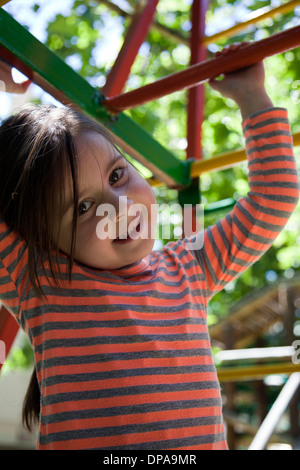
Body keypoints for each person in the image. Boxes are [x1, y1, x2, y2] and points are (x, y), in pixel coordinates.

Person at [0, 44, 299, 450]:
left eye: (118, 174)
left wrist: (251, 95)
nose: (119, 208)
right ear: (42, 238)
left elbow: (274, 198)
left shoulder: (189, 266)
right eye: (84, 207)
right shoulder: (40, 281)